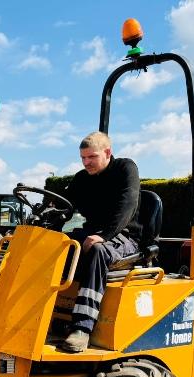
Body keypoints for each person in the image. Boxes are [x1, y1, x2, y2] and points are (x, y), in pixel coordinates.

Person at [59, 131, 142, 352]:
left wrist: (105, 235)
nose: (87, 163)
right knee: (57, 245)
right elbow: (63, 206)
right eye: (83, 158)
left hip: (124, 236)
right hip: (94, 232)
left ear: (107, 152)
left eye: (92, 157)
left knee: (97, 250)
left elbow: (128, 205)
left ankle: (82, 328)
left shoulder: (125, 169)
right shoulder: (82, 179)